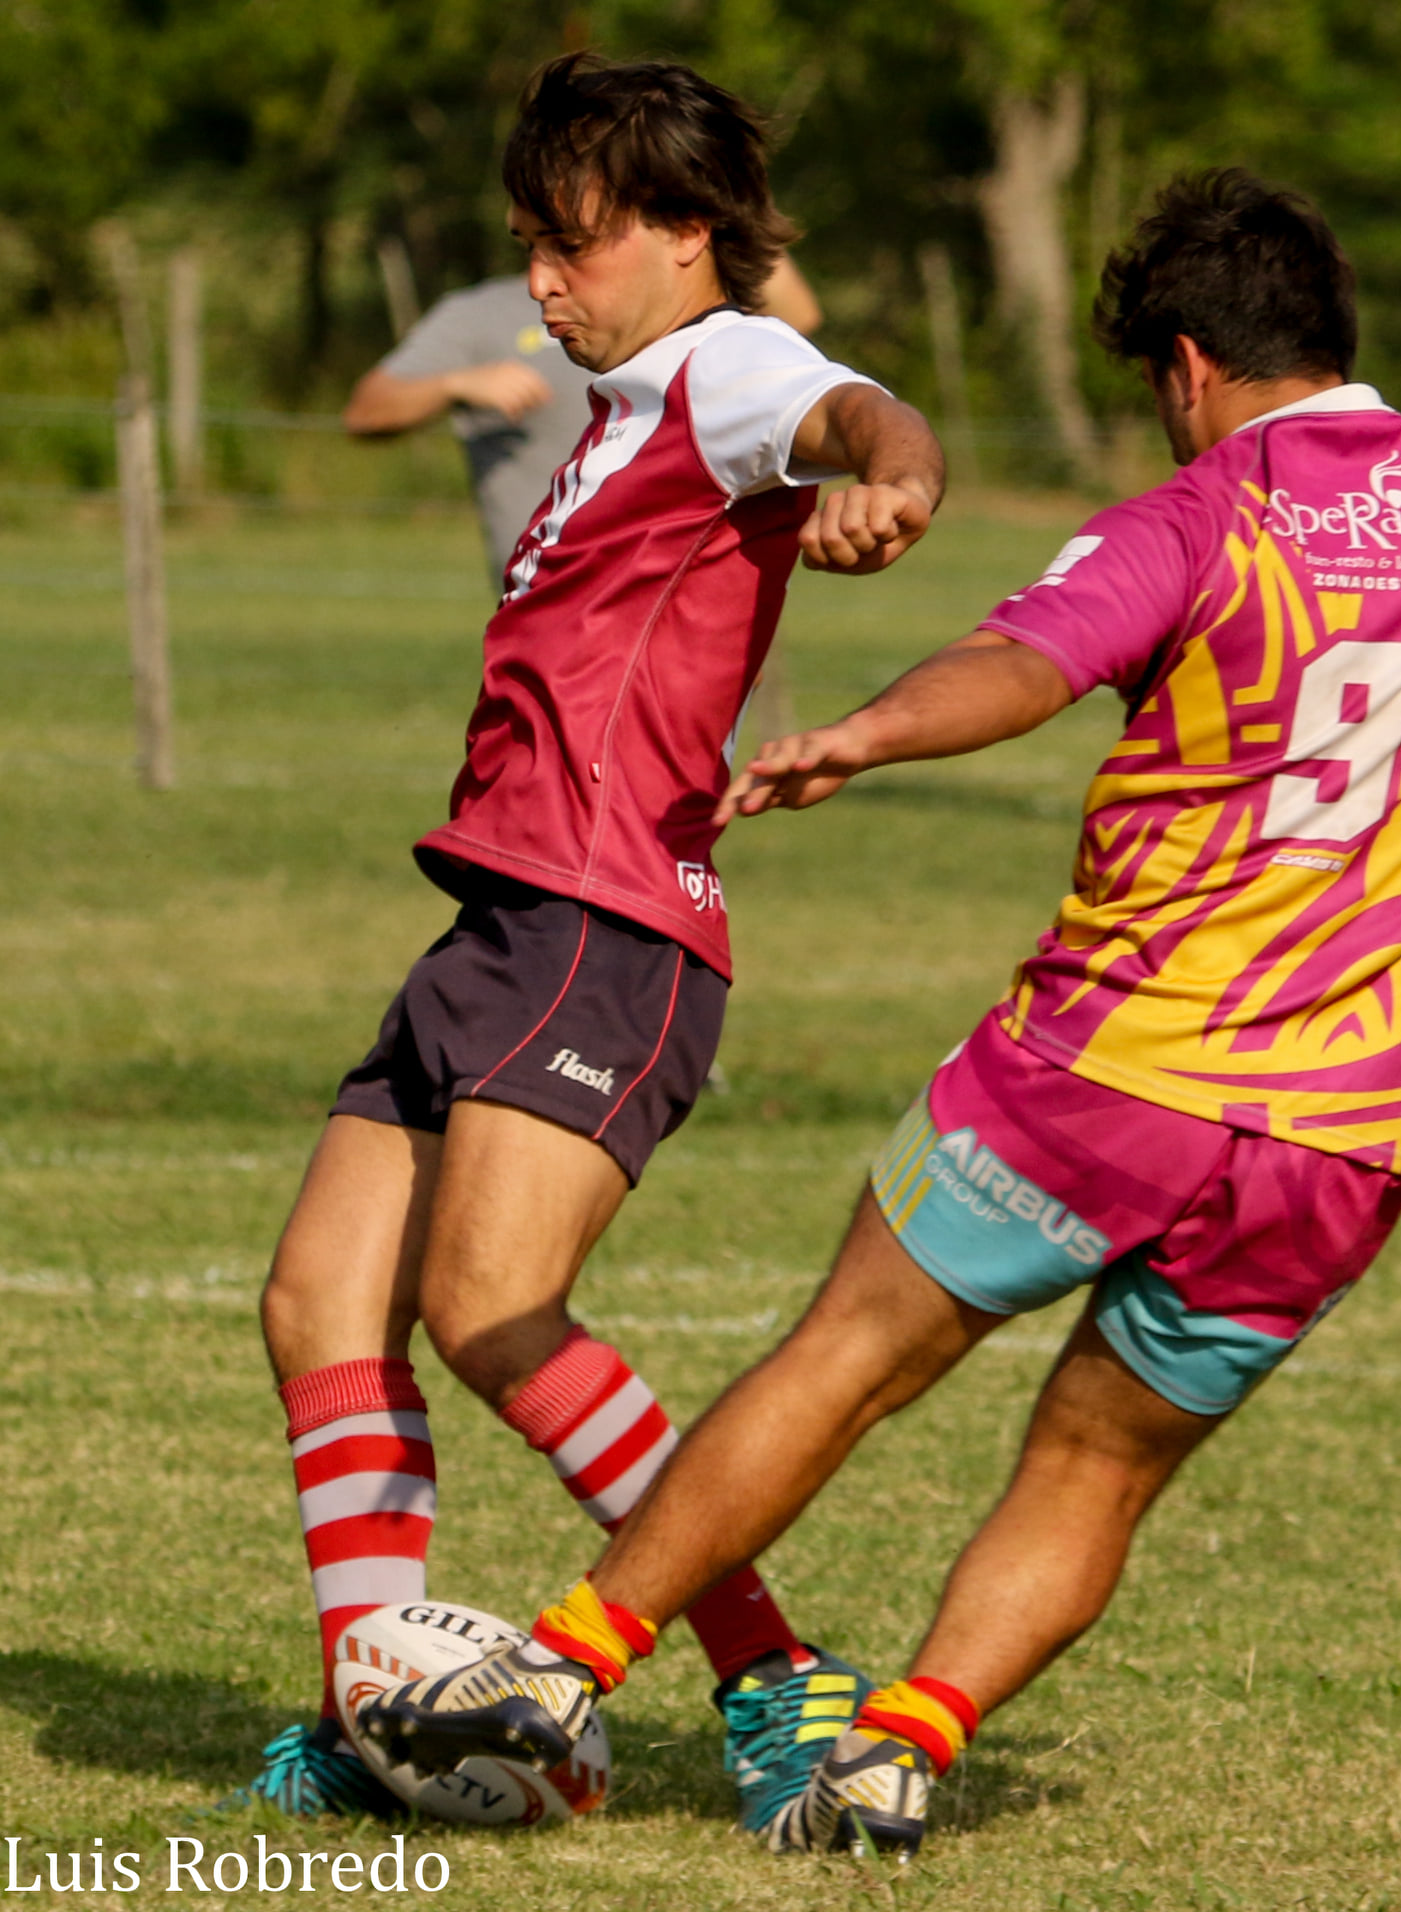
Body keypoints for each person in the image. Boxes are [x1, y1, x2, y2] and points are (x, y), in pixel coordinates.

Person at [358, 168, 1401, 1858]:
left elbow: (1026, 658)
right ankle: (907, 1747)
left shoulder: (1204, 511)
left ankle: (558, 1669)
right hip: (1348, 1134)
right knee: (1095, 1468)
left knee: (846, 1358)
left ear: (1185, 363)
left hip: (1112, 1065)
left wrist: (867, 731)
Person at [239, 51, 944, 1825]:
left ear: (690, 235)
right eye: (523, 247)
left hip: (606, 918)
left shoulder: (727, 365)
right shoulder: (628, 399)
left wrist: (895, 482)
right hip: (506, 907)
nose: (543, 281)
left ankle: (775, 1675)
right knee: (320, 1299)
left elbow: (866, 413)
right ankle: (380, 1712)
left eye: (570, 245)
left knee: (491, 1307)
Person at [344, 254, 823, 584]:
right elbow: (366, 411)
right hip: (544, 596)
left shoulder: (656, 305)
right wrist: (454, 383)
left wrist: (729, 201)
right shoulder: (477, 315)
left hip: (673, 589)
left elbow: (796, 316)